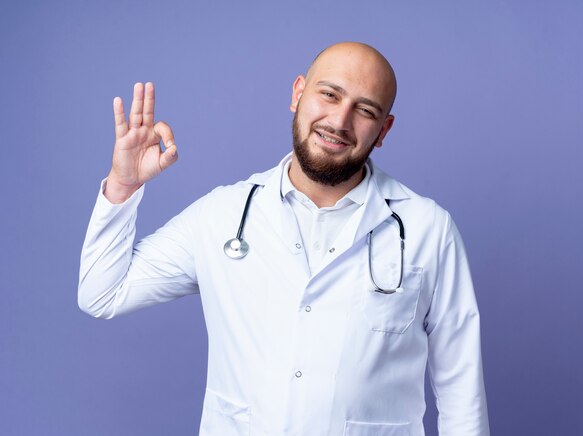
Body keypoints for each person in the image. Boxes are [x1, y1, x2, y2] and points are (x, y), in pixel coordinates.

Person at [78, 42, 490, 436]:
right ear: (298, 93)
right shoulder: (223, 214)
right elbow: (102, 294)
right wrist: (123, 185)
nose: (339, 121)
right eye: (329, 94)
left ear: (384, 130)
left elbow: (460, 384)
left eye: (365, 110)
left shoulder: (427, 229)